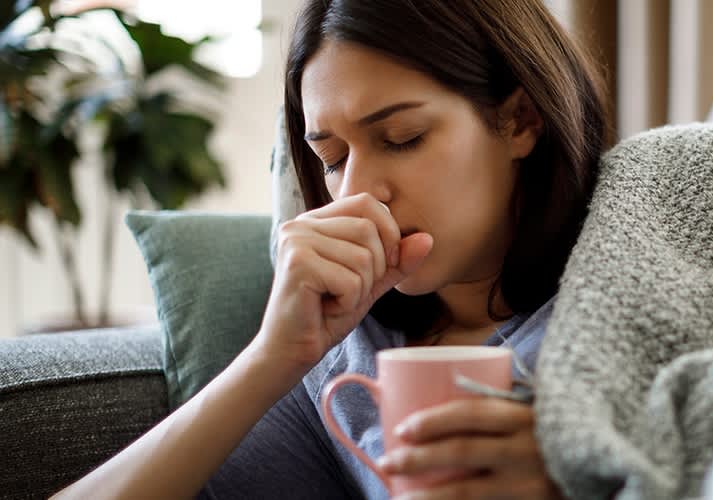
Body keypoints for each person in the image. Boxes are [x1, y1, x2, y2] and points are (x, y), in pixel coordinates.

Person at [54, 0, 609, 498]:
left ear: (520, 120)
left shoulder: (622, 315)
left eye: (402, 138)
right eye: (334, 159)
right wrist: (271, 357)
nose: (358, 192)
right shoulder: (344, 363)